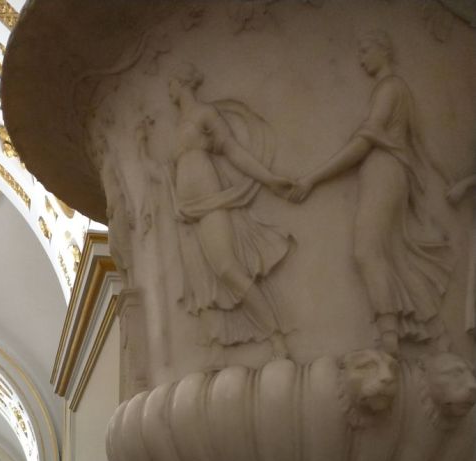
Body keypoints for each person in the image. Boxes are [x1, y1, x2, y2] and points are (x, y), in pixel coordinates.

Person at [289, 31, 451, 355]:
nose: (361, 59)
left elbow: (362, 144)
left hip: (384, 172)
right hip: (389, 173)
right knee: (394, 255)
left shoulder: (389, 89)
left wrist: (312, 179)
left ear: (383, 50)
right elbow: (420, 143)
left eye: (365, 51)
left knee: (366, 250)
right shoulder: (396, 90)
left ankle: (389, 334)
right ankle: (437, 335)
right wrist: (448, 179)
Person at [167, 62, 294, 356]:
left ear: (181, 82)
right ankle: (218, 345)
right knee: (205, 280)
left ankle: (276, 336)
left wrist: (269, 179)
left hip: (210, 199)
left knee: (227, 268)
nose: (169, 89)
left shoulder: (204, 113)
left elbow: (232, 150)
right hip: (189, 210)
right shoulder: (178, 124)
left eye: (170, 83)